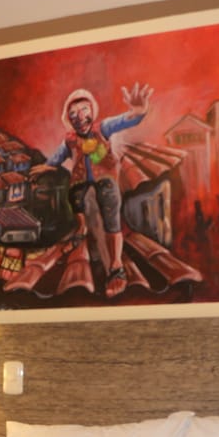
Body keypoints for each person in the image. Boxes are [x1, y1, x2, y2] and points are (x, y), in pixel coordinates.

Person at [31, 83, 153, 298]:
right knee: (76, 196)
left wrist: (138, 111)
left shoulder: (102, 129)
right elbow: (58, 156)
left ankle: (115, 266)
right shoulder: (70, 140)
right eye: (73, 113)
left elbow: (124, 120)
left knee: (109, 197)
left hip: (105, 178)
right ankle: (82, 228)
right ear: (69, 119)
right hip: (81, 181)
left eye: (84, 110)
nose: (79, 116)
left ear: (92, 112)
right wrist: (48, 166)